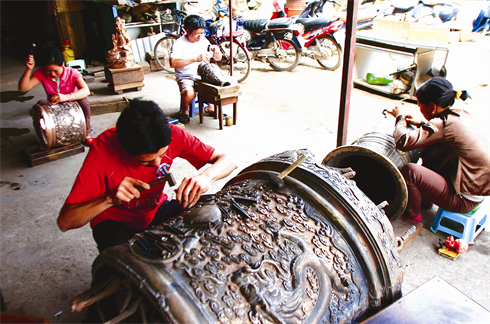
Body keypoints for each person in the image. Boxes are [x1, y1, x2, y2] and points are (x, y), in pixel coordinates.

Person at [57, 98, 237, 252]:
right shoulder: (103, 150)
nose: (158, 164)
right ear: (124, 148)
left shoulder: (173, 134)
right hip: (114, 221)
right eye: (146, 162)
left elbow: (229, 160)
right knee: (123, 270)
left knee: (219, 209)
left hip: (156, 210)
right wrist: (109, 198)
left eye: (162, 155)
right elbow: (65, 221)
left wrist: (206, 177)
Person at [387, 77, 490, 222]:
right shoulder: (460, 113)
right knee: (431, 150)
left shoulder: (444, 124)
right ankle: (427, 197)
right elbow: (442, 132)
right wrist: (422, 123)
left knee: (410, 171)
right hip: (476, 191)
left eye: (420, 106)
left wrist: (400, 116)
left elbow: (403, 142)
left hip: (463, 200)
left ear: (433, 107)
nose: (420, 110)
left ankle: (413, 215)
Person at [18, 47, 93, 145]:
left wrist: (67, 97)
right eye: (48, 70)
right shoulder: (41, 73)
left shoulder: (72, 73)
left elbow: (86, 90)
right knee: (41, 104)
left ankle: (86, 134)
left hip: (72, 105)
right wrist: (28, 69)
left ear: (62, 64)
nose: (52, 74)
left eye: (55, 70)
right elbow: (23, 88)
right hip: (53, 105)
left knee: (84, 101)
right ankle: (49, 136)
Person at [170, 14, 222, 124]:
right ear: (188, 31)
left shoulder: (203, 41)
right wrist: (195, 59)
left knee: (220, 85)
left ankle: (210, 106)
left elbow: (218, 58)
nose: (200, 36)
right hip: (186, 76)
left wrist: (217, 52)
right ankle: (185, 109)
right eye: (197, 34)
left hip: (202, 75)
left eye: (202, 33)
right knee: (189, 93)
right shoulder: (179, 43)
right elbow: (173, 63)